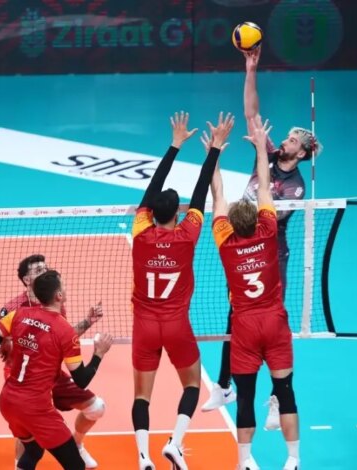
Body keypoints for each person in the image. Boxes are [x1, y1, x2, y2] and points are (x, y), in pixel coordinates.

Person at [202, 46, 322, 415]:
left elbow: (266, 219)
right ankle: (224, 386)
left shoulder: (296, 187)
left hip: (270, 256)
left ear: (301, 154)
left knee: (274, 324)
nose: (284, 141)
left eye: (292, 141)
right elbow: (252, 114)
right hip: (243, 245)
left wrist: (233, 222)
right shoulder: (267, 155)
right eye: (285, 137)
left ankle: (277, 395)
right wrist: (250, 69)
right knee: (234, 315)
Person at [130, 111, 234, 470]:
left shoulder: (140, 231)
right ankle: (175, 443)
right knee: (191, 386)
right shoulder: (188, 234)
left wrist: (174, 145)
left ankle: (143, 457)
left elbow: (151, 189)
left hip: (144, 327)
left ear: (151, 213)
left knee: (141, 395)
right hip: (176, 326)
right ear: (179, 213)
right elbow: (202, 191)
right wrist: (214, 148)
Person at [211, 115, 300, 470]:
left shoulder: (225, 241)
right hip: (275, 323)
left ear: (233, 224)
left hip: (245, 327)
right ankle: (293, 459)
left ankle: (245, 461)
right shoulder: (268, 232)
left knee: (245, 398)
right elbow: (264, 184)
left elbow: (218, 194)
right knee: (286, 393)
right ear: (259, 219)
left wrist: (215, 152)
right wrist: (263, 147)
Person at [0, 270, 114, 470]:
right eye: (64, 286)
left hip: (8, 402)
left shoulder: (18, 315)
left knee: (34, 450)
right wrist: (99, 354)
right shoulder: (65, 331)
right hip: (36, 408)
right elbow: (82, 380)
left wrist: (8, 340)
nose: (66, 289)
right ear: (59, 296)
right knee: (76, 465)